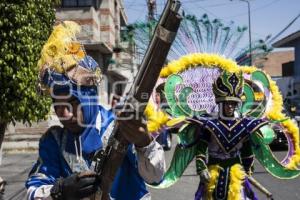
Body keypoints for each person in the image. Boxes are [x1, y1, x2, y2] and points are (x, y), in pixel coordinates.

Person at [25, 21, 165, 200]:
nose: (64, 114)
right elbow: (33, 190)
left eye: (73, 102)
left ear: (89, 96)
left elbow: (155, 177)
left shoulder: (119, 126)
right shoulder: (54, 141)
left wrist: (144, 143)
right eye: (57, 105)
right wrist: (59, 191)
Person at [193, 71, 267, 200]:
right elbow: (200, 150)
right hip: (213, 174)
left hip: (235, 175)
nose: (230, 107)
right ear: (221, 103)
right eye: (227, 103)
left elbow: (247, 152)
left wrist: (247, 170)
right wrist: (201, 169)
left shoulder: (244, 124)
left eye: (233, 103)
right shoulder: (209, 124)